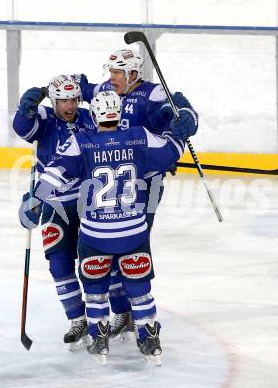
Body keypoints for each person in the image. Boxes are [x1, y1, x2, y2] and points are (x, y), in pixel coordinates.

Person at [20, 90, 197, 365]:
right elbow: (172, 149)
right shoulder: (139, 136)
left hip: (96, 234)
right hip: (133, 232)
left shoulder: (82, 142)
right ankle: (149, 337)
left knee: (95, 287)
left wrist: (34, 198)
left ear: (94, 115)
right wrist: (183, 118)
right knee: (139, 287)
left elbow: (54, 174)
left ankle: (98, 336)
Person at [74, 49, 198, 336]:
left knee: (130, 247)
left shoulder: (153, 94)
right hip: (113, 184)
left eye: (118, 73)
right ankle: (125, 311)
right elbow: (88, 91)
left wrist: (186, 116)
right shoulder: (107, 89)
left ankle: (135, 310)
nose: (112, 78)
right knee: (111, 248)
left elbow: (178, 119)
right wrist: (76, 86)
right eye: (111, 72)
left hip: (146, 183)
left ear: (133, 74)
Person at [13, 75, 96, 350]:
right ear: (53, 100)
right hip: (53, 204)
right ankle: (77, 319)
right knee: (59, 264)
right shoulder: (44, 118)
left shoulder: (90, 117)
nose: (70, 105)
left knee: (94, 264)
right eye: (63, 100)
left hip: (88, 203)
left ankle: (107, 316)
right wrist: (25, 110)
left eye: (74, 99)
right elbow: (22, 128)